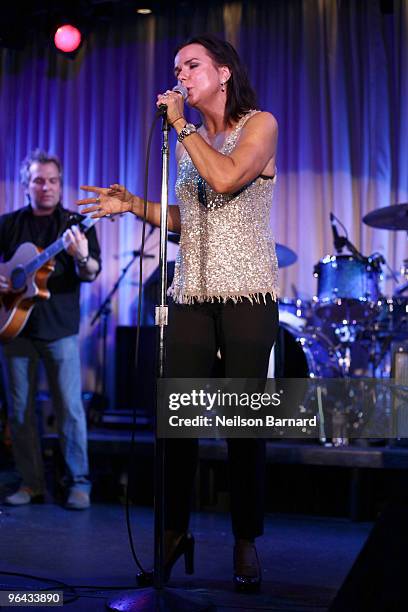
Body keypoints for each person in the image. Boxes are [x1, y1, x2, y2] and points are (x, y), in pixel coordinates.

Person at [78, 34, 279, 590]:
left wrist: (182, 126)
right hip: (190, 292)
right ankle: (172, 534)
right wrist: (133, 205)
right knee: (178, 423)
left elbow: (226, 177)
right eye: (176, 68)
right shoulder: (189, 144)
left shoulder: (260, 125)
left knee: (243, 426)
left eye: (192, 66)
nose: (181, 76)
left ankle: (245, 540)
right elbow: (186, 217)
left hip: (247, 295)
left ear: (223, 73)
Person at [0, 149, 101, 510]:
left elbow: (90, 273)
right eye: (39, 180)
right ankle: (31, 483)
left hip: (59, 330)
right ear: (26, 185)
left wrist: (82, 256)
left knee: (70, 409)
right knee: (20, 412)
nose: (47, 187)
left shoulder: (76, 224)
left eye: (53, 180)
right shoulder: (8, 224)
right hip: (13, 330)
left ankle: (79, 482)